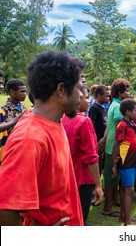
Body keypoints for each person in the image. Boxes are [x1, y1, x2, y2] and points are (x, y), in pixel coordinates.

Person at [0, 50, 84, 225]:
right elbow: (4, 209)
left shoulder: (52, 121)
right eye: (79, 88)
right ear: (61, 89)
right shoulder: (30, 138)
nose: (82, 95)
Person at [62, 87, 104, 225]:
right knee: (81, 215)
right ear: (77, 100)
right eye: (86, 97)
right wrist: (98, 184)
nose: (89, 101)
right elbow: (91, 156)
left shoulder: (64, 118)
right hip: (83, 177)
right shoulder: (84, 121)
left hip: (70, 174)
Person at [101, 78, 132, 217]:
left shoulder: (114, 104)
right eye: (127, 90)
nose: (129, 92)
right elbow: (122, 130)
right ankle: (107, 207)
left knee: (113, 176)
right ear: (120, 92)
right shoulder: (119, 107)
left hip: (112, 144)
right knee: (111, 177)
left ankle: (113, 201)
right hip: (115, 146)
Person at [112, 99, 136, 225]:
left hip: (132, 160)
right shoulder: (122, 125)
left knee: (125, 189)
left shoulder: (131, 123)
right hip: (126, 162)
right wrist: (114, 165)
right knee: (129, 190)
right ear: (128, 112)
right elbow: (116, 145)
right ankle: (127, 223)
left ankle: (123, 216)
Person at [0, 71, 22, 165]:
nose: (1, 87)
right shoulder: (4, 108)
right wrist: (16, 120)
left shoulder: (1, 112)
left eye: (1, 83)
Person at [88, 84, 110, 174]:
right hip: (97, 140)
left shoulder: (103, 107)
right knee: (97, 161)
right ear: (99, 96)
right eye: (106, 96)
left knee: (101, 161)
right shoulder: (94, 108)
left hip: (103, 139)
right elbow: (91, 126)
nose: (108, 98)